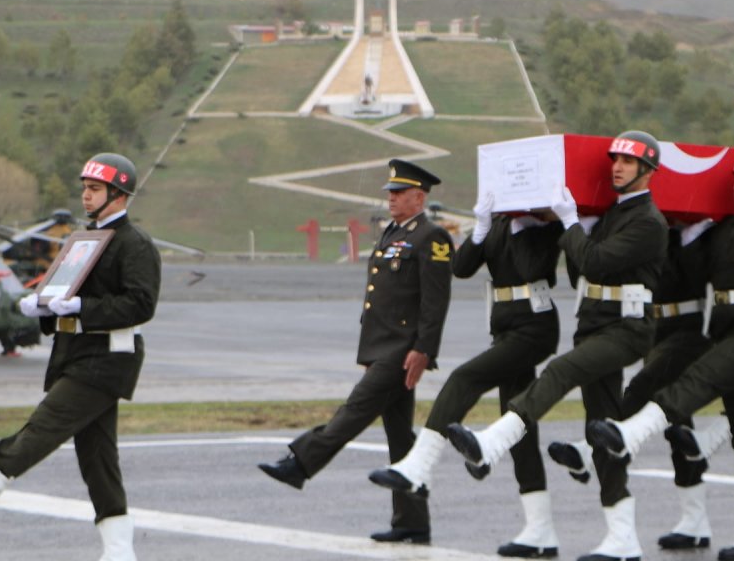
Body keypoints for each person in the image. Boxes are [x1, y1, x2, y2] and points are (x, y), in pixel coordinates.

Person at [0, 152, 161, 561]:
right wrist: (42, 308)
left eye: (95, 189)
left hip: (106, 362)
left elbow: (140, 305)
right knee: (98, 461)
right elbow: (64, 294)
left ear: (119, 195)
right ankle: (119, 552)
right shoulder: (85, 240)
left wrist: (80, 308)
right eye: (85, 187)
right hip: (76, 357)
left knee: (38, 430)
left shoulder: (135, 245)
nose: (86, 195)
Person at [445, 130, 668, 561]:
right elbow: (578, 271)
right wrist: (577, 227)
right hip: (595, 324)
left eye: (628, 162)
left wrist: (570, 225)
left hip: (628, 329)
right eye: (615, 161)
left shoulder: (648, 221)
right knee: (601, 426)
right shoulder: (609, 216)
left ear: (648, 170)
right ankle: (623, 537)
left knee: (560, 371)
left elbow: (597, 262)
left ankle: (494, 441)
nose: (617, 167)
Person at [585, 147, 734, 561]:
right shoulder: (725, 230)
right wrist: (687, 234)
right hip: (726, 327)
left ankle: (632, 432)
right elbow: (693, 276)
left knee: (698, 379)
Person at [257, 159, 454, 545]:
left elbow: (435, 301)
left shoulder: (432, 237)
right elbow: (379, 299)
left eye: (399, 194)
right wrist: (370, 352)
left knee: (354, 411)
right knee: (400, 438)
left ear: (419, 196)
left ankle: (300, 463)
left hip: (403, 351)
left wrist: (424, 350)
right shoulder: (393, 234)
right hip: (383, 347)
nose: (392, 199)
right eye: (390, 194)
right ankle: (412, 521)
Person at [368, 189, 563, 558]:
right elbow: (461, 268)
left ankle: (419, 466)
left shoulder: (543, 225)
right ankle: (541, 530)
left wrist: (527, 224)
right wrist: (482, 228)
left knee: (465, 378)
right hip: (506, 326)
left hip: (535, 327)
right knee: (519, 428)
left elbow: (529, 269)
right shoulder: (502, 223)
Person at [547, 219, 731, 552]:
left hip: (692, 328)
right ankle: (695, 520)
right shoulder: (643, 228)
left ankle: (589, 452)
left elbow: (697, 276)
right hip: (653, 326)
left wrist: (690, 238)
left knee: (642, 390)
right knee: (676, 423)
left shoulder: (697, 231)